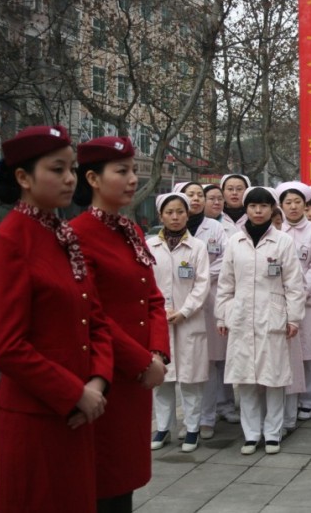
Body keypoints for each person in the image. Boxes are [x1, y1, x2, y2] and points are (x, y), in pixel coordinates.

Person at [0, 125, 113, 512]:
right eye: (57, 169)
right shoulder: (7, 241)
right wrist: (74, 393)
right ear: (24, 178)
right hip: (36, 418)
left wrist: (97, 382)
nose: (70, 178)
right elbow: (7, 347)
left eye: (72, 168)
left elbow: (94, 319)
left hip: (78, 413)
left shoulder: (62, 236)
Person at [72, 136, 169, 512]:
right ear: (93, 179)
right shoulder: (78, 235)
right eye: (121, 171)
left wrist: (158, 353)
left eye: (132, 170)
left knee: (126, 478)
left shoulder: (131, 230)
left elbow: (153, 297)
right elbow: (92, 313)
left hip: (139, 376)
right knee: (105, 479)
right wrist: (142, 361)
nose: (132, 179)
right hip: (107, 374)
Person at [215, 186, 306, 455]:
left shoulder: (283, 241)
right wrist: (222, 315)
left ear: (271, 209)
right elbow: (226, 283)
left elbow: (294, 284)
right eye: (253, 206)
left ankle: (273, 433)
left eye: (263, 206)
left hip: (273, 316)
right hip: (241, 316)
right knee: (245, 380)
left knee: (273, 379)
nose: (258, 211)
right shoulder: (234, 242)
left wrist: (293, 318)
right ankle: (252, 435)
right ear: (246, 209)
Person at [147, 192, 210, 453]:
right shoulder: (150, 246)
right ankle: (163, 428)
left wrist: (184, 311)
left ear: (187, 214)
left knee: (190, 380)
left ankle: (192, 428)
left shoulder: (197, 247)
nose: (175, 217)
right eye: (169, 212)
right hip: (158, 321)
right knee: (161, 379)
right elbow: (145, 283)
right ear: (160, 216)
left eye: (180, 212)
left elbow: (202, 284)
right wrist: (158, 311)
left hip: (189, 322)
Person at [174, 182, 235, 439]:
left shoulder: (215, 228)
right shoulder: (171, 232)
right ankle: (190, 420)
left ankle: (207, 418)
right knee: (185, 364)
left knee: (209, 361)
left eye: (200, 194)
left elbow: (225, 260)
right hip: (180, 303)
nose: (196, 199)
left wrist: (201, 276)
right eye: (191, 195)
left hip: (209, 299)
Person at [277, 182, 311, 423]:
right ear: (281, 205)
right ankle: (289, 399)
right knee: (288, 354)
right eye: (288, 202)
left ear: (305, 204)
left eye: (297, 202)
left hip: (309, 300)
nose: (293, 207)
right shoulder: (277, 230)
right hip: (281, 302)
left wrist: (300, 293)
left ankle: (310, 400)